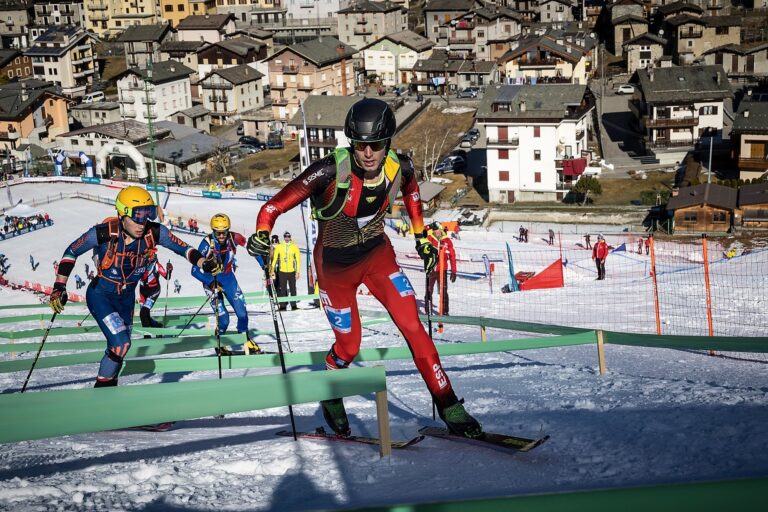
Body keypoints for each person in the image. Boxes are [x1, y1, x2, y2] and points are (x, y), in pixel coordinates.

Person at [246, 98, 482, 438]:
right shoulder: (329, 171)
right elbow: (271, 207)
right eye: (360, 145)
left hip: (376, 257)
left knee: (413, 326)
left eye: (376, 145)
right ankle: (330, 390)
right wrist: (263, 235)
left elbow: (413, 194)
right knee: (349, 346)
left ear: (387, 142)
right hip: (335, 270)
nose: (368, 153)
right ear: (351, 143)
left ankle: (449, 405)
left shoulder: (401, 167)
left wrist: (421, 237)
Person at [48, 186, 221, 387]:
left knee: (118, 349)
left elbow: (183, 248)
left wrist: (204, 263)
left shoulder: (154, 232)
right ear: (122, 214)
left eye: (147, 214)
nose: (142, 222)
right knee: (121, 343)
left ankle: (106, 393)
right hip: (101, 295)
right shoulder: (104, 233)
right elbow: (71, 251)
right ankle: (102, 394)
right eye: (137, 216)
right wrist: (59, 287)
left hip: (127, 299)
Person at [191, 213, 259, 353]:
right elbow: (194, 270)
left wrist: (264, 265)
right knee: (224, 319)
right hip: (211, 281)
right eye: (218, 233)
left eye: (224, 232)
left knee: (242, 314)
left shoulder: (235, 237)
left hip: (229, 279)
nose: (221, 236)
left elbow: (253, 249)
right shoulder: (206, 243)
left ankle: (245, 339)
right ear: (213, 231)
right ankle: (220, 341)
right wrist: (210, 283)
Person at [426, 223, 457, 316]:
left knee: (443, 291)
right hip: (431, 269)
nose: (436, 231)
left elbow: (452, 256)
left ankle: (445, 311)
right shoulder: (429, 239)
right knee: (428, 290)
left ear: (441, 230)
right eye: (434, 229)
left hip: (442, 270)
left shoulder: (447, 241)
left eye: (437, 229)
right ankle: (428, 311)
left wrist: (454, 271)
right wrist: (428, 227)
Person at [138, 249, 172, 330]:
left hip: (153, 291)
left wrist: (169, 270)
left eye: (149, 255)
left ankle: (147, 335)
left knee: (143, 313)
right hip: (142, 291)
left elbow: (167, 276)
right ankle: (157, 326)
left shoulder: (156, 265)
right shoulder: (139, 264)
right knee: (144, 315)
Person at [270, 231, 300, 311]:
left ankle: (294, 305)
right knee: (282, 289)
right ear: (283, 237)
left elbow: (298, 260)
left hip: (291, 271)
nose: (287, 238)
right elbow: (275, 258)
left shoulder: (294, 247)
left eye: (288, 236)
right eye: (285, 236)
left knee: (293, 289)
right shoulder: (280, 246)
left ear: (290, 237)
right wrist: (272, 270)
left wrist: (297, 271)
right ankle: (282, 306)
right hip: (282, 271)